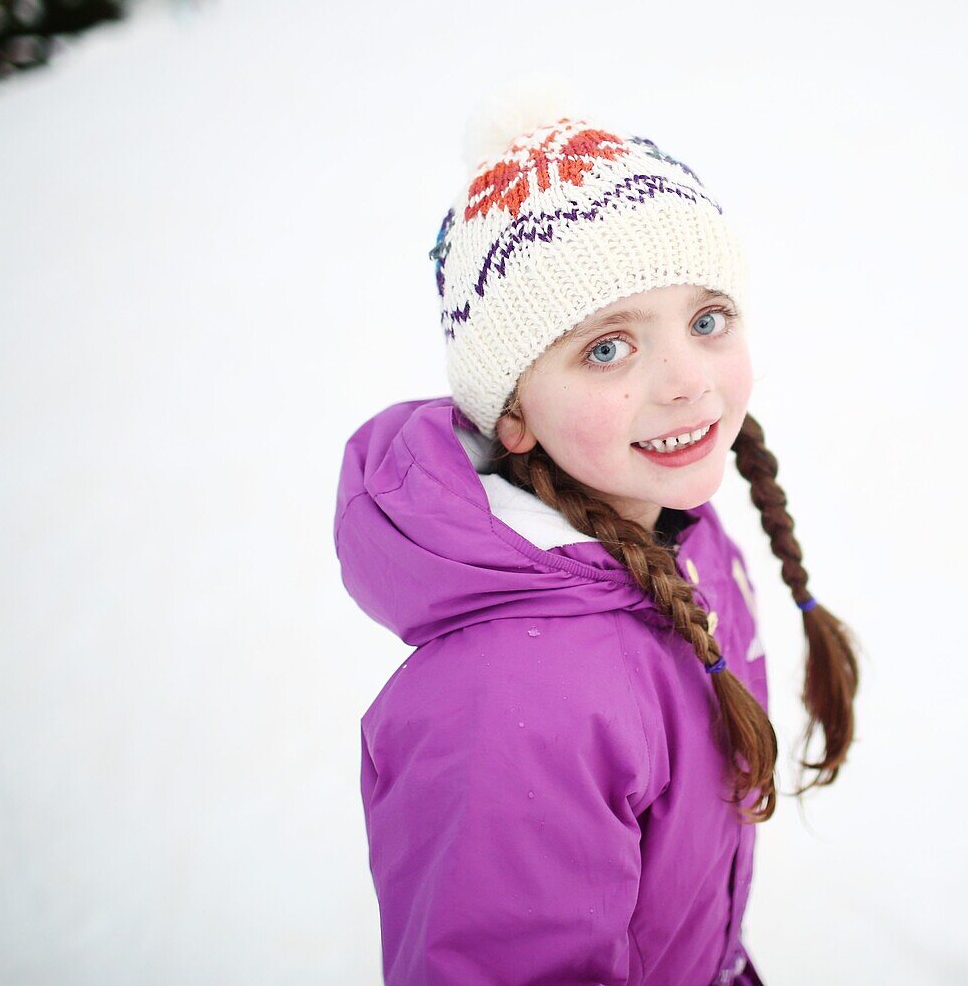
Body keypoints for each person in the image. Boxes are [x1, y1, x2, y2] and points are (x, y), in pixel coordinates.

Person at [333, 84, 861, 986]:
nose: (686, 382)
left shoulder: (683, 539)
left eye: (706, 321)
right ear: (514, 415)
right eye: (607, 348)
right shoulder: (508, 702)